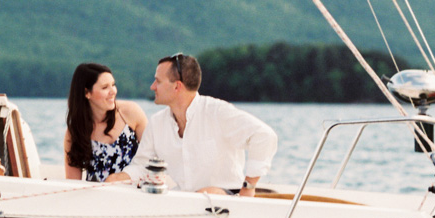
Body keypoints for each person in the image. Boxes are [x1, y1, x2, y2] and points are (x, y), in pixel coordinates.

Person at [115, 53, 277, 196]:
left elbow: (265, 136)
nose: (152, 87)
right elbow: (143, 166)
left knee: (207, 192)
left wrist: (248, 188)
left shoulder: (217, 112)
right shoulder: (157, 123)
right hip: (186, 202)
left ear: (177, 86)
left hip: (228, 201)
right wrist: (116, 180)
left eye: (158, 81)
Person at [62, 62, 148, 182]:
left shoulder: (131, 113)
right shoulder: (76, 131)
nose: (113, 91)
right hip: (97, 197)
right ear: (87, 93)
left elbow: (152, 158)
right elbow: (72, 182)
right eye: (105, 87)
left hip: (134, 193)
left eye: (113, 85)